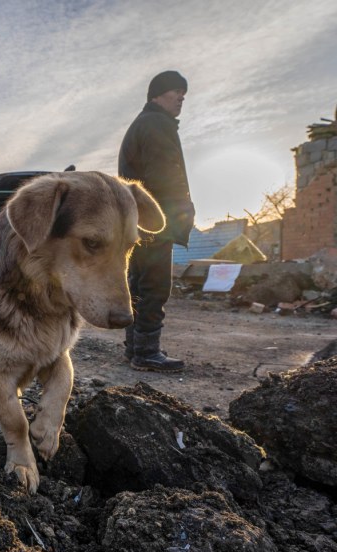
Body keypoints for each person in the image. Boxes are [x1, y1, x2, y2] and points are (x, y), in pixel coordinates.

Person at [118, 70, 195, 372]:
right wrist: (178, 214)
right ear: (156, 95)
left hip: (139, 219)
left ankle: (133, 347)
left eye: (183, 94)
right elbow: (165, 176)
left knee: (138, 284)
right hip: (156, 220)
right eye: (176, 92)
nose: (180, 98)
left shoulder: (143, 124)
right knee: (154, 284)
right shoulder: (156, 125)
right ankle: (146, 352)